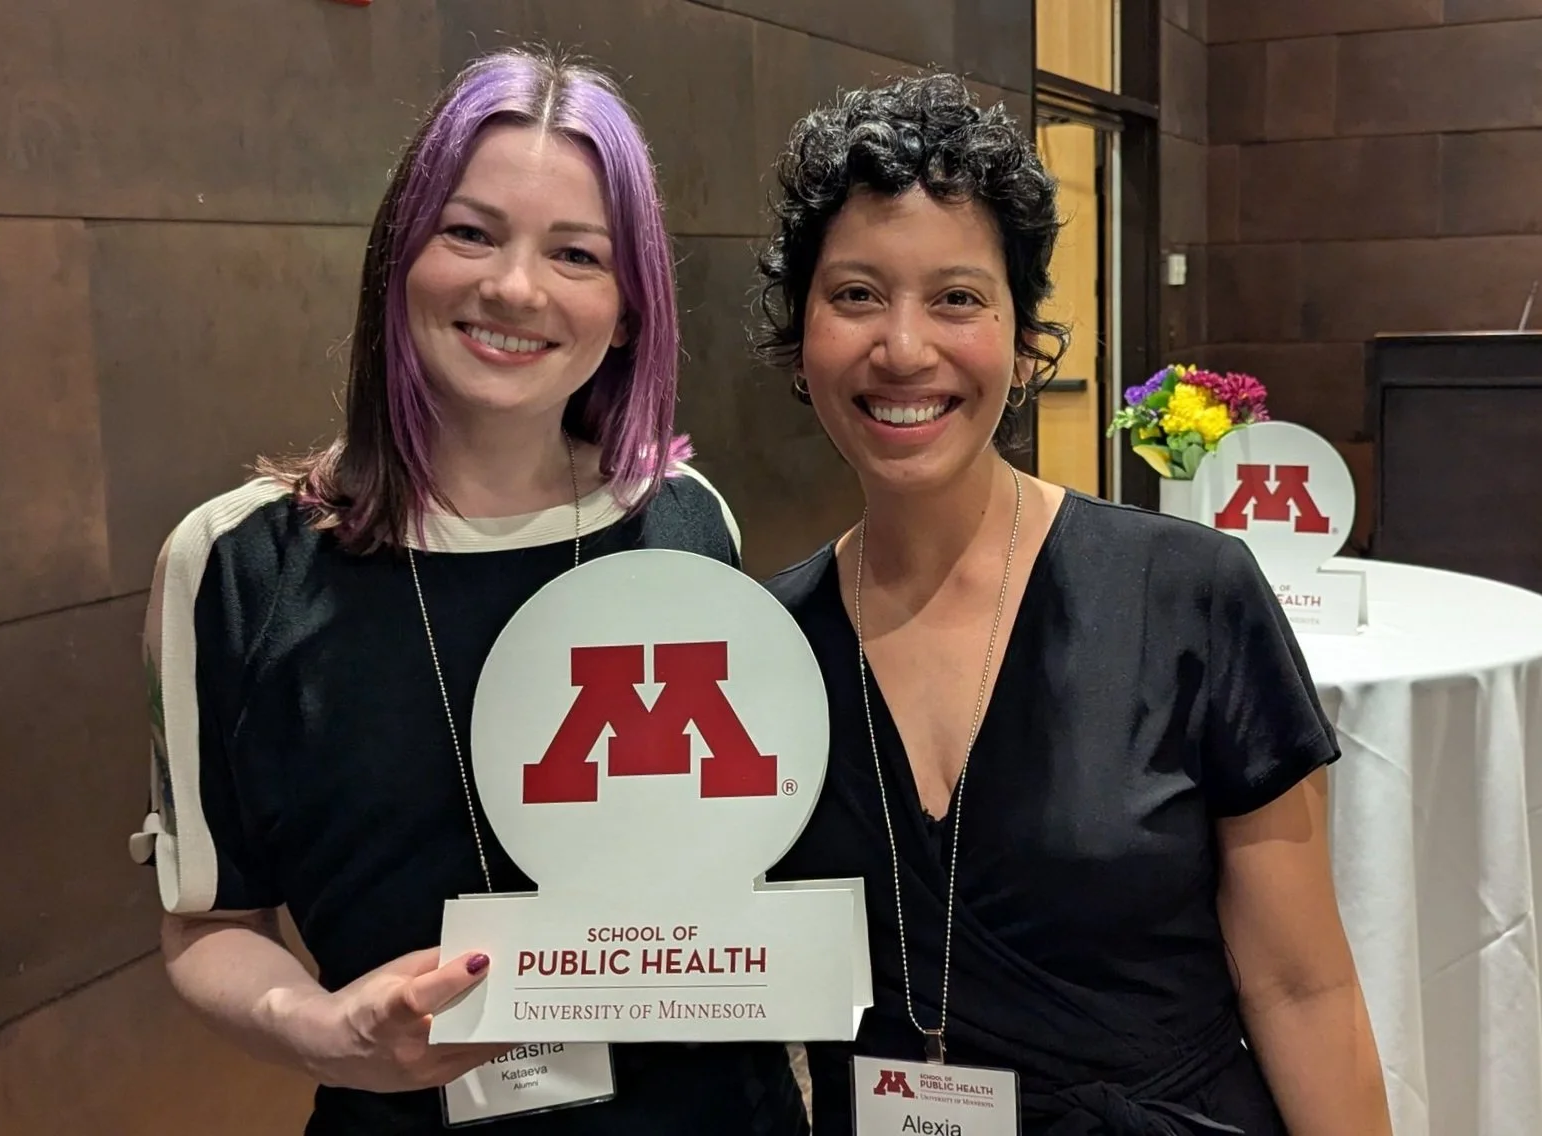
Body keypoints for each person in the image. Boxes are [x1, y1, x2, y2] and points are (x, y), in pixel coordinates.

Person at [127, 48, 808, 1136]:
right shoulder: (234, 564)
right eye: (470, 232)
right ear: (400, 256)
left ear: (628, 306)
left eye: (575, 253)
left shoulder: (687, 521)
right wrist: (326, 1025)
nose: (513, 287)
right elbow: (207, 921)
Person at [758, 75, 1392, 1135]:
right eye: (856, 294)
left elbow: (1300, 987)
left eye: (956, 297)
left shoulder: (1188, 596)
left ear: (1020, 342)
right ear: (801, 337)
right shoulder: (763, 651)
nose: (903, 347)